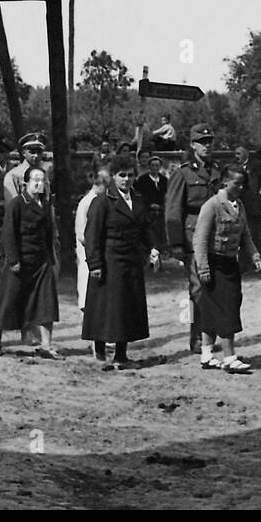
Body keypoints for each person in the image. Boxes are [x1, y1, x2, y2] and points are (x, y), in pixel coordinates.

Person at [83, 155, 159, 369]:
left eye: (130, 175)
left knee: (127, 307)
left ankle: (121, 354)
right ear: (114, 177)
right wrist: (95, 264)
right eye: (122, 175)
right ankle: (99, 350)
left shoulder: (138, 200)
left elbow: (145, 228)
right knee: (105, 306)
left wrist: (153, 247)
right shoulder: (102, 201)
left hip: (132, 260)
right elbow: (92, 235)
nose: (127, 179)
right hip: (109, 261)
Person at [0, 165, 61, 358]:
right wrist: (13, 260)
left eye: (43, 181)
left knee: (47, 302)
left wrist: (51, 257)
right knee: (9, 300)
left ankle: (46, 345)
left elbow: (48, 234)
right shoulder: (16, 204)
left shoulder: (46, 205)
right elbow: (8, 233)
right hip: (20, 262)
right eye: (36, 181)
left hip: (41, 262)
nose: (40, 185)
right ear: (26, 184)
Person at [166, 123, 222, 354]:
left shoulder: (217, 172)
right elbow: (172, 211)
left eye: (209, 142)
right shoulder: (183, 173)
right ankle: (197, 336)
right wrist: (176, 243)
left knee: (215, 286)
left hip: (217, 237)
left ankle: (210, 334)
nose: (207, 146)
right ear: (192, 145)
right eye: (202, 142)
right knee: (198, 288)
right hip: (192, 237)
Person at [76, 166, 111, 312]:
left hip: (98, 252)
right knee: (86, 286)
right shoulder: (87, 202)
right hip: (88, 252)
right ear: (97, 185)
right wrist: (95, 244)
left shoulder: (100, 201)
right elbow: (81, 233)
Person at [134, 155, 169, 252]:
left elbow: (166, 195)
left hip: (160, 211)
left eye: (157, 165)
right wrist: (149, 204)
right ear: (149, 167)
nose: (155, 168)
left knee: (160, 231)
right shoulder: (142, 179)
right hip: (147, 210)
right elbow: (139, 195)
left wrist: (162, 206)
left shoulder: (164, 180)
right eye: (153, 165)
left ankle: (162, 250)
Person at [4, 133, 47, 202]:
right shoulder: (13, 175)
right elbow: (12, 205)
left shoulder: (44, 174)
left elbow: (47, 201)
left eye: (39, 152)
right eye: (32, 152)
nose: (36, 156)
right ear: (24, 153)